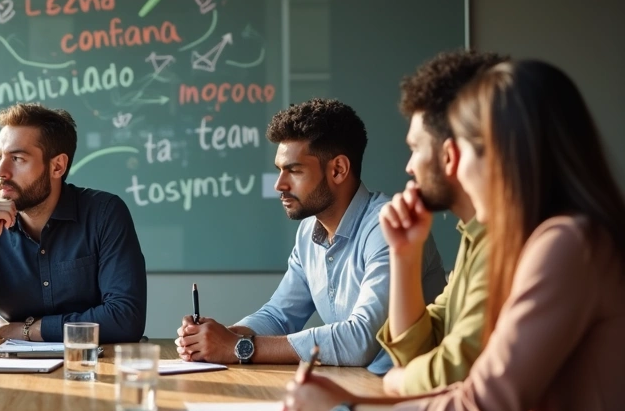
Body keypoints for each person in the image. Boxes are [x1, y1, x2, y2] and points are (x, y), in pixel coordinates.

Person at [284, 60, 625, 411]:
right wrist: (405, 258)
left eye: (460, 147)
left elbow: (481, 406)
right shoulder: (511, 241)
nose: (450, 161)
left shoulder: (566, 245)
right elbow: (430, 360)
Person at [176, 98, 446, 373]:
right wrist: (218, 337)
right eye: (279, 170)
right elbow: (279, 316)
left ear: (338, 170)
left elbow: (361, 340)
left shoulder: (388, 226)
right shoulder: (309, 231)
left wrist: (237, 348)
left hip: (410, 395)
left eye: (294, 170)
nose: (279, 185)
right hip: (358, 387)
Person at [0, 103, 147, 344]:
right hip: (14, 373)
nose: (1, 172)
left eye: (18, 158)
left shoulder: (104, 214)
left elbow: (126, 319)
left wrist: (26, 330)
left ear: (57, 166)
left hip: (93, 367)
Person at [376, 50, 507, 395]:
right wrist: (404, 255)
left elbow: (457, 369)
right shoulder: (473, 237)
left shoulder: (508, 243)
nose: (409, 167)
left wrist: (396, 383)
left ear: (448, 155)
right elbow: (421, 349)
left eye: (415, 148)